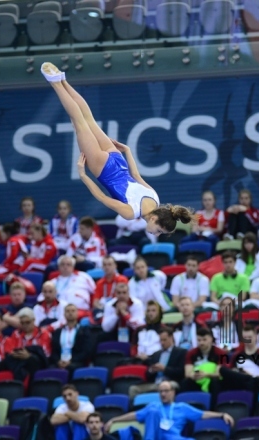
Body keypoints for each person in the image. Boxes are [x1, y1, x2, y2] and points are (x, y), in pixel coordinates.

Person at [41, 62, 194, 233]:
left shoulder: (155, 198)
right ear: (153, 219)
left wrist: (127, 151)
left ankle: (63, 81)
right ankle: (55, 82)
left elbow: (135, 174)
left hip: (118, 160)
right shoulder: (130, 213)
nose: (155, 233)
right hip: (103, 169)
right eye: (158, 230)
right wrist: (83, 175)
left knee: (88, 119)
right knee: (80, 123)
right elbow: (101, 197)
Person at [105, 380, 234, 439]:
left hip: (172, 437)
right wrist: (114, 420)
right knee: (153, 411)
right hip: (155, 436)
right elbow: (134, 415)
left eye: (166, 391)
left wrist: (221, 415)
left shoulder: (181, 407)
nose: (163, 394)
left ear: (173, 392)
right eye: (160, 391)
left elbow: (202, 414)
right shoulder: (153, 406)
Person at [130, 327, 187, 399]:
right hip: (155, 383)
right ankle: (135, 409)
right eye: (160, 340)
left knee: (168, 386)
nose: (162, 343)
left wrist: (164, 369)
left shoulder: (181, 352)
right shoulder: (156, 354)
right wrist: (151, 370)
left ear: (171, 338)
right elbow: (147, 374)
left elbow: (181, 372)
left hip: (171, 382)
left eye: (164, 340)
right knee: (133, 389)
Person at [219, 325, 259, 395]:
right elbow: (231, 371)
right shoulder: (237, 355)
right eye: (245, 338)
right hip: (239, 382)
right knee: (222, 370)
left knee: (252, 381)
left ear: (255, 337)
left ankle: (248, 378)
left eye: (250, 337)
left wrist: (252, 376)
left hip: (254, 383)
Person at [0, 308, 51, 381]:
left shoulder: (44, 333)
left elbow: (46, 354)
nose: (25, 325)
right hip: (19, 361)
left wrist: (29, 355)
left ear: (34, 320)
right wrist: (16, 354)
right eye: (22, 323)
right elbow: (11, 350)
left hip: (37, 362)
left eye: (27, 322)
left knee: (33, 359)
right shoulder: (16, 333)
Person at [181, 328, 228, 395]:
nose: (201, 343)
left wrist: (206, 374)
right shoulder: (191, 353)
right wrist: (194, 375)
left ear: (211, 339)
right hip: (197, 379)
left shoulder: (221, 353)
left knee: (215, 382)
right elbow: (187, 373)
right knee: (185, 382)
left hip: (212, 379)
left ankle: (213, 404)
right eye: (199, 340)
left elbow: (219, 373)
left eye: (204, 340)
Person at [50, 304, 93, 376]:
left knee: (71, 368)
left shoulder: (84, 331)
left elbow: (86, 350)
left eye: (73, 311)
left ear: (77, 313)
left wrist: (71, 360)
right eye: (67, 311)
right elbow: (54, 350)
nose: (70, 313)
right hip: (60, 361)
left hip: (76, 361)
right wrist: (58, 361)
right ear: (64, 314)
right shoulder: (58, 332)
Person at [51, 256, 95, 320]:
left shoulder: (84, 277)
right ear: (58, 267)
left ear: (73, 266)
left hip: (80, 310)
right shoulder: (53, 282)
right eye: (63, 264)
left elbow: (95, 292)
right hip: (59, 311)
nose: (65, 267)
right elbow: (42, 298)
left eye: (68, 264)